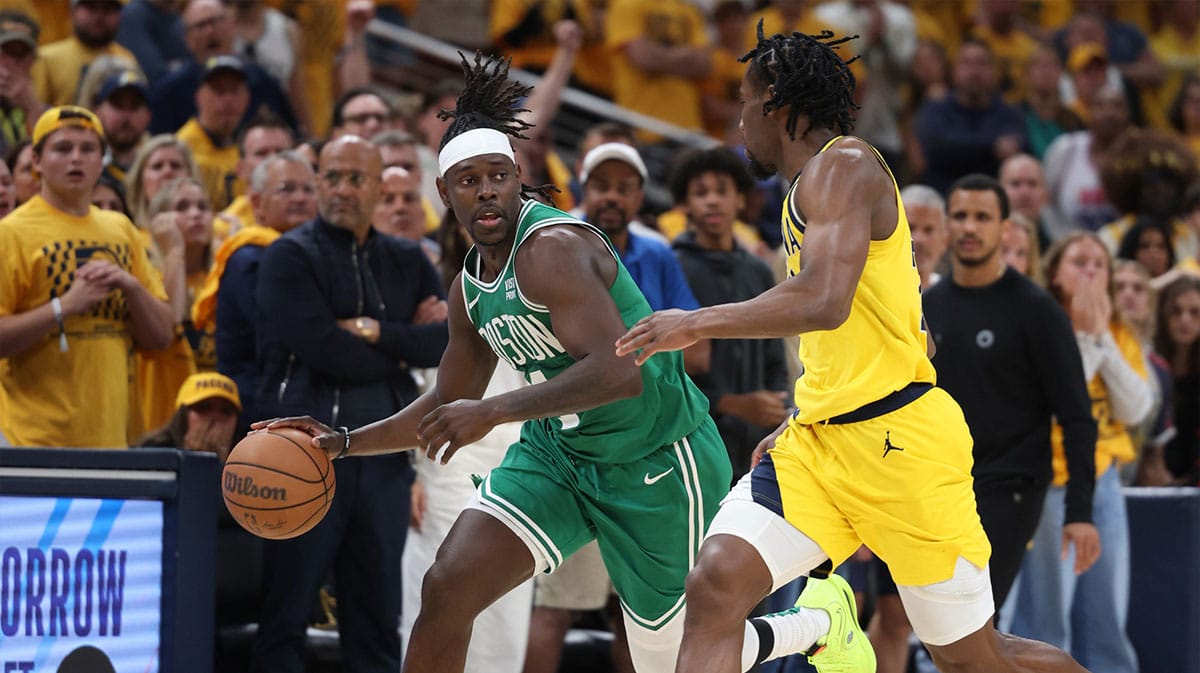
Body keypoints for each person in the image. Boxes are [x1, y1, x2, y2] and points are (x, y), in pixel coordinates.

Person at [259, 52, 818, 673]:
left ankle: (816, 627)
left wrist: (493, 411)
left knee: (676, 658)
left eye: (498, 175)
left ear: (517, 175)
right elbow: (446, 403)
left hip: (657, 458)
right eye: (468, 180)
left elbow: (618, 371)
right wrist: (338, 443)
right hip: (562, 457)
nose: (487, 190)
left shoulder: (550, 249)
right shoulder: (469, 286)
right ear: (443, 192)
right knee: (448, 585)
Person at [615, 26, 1096, 673]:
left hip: (902, 445)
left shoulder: (844, 166)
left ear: (777, 105)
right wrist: (803, 411)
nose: (736, 120)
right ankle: (826, 621)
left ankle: (828, 623)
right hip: (818, 443)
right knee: (715, 584)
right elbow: (876, 328)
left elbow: (823, 300)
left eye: (744, 102)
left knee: (978, 659)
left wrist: (692, 322)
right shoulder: (804, 191)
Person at [250, 135, 448, 673]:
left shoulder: (409, 259)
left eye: (355, 178)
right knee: (285, 619)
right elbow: (327, 351)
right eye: (331, 176)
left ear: (379, 186)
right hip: (301, 453)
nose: (341, 188)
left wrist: (371, 331)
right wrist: (400, 340)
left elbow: (441, 344)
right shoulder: (287, 256)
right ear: (317, 182)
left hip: (383, 462)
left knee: (378, 622)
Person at [924, 174, 1099, 612]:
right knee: (945, 632)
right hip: (938, 486)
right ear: (946, 226)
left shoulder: (1036, 310)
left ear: (1005, 228)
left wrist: (1080, 512)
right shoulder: (927, 305)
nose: (969, 227)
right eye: (960, 216)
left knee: (974, 620)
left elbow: (1077, 416)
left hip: (1010, 485)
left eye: (983, 217)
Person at [1010, 232, 1151, 673]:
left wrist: (1101, 340)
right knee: (1049, 620)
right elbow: (1056, 410)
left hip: (1104, 478)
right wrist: (1086, 341)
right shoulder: (1037, 323)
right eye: (1079, 262)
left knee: (1108, 613)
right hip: (1052, 481)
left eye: (1099, 264)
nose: (1091, 272)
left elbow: (1136, 408)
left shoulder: (1118, 330)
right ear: (1054, 271)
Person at [0, 105, 172, 448]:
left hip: (115, 439)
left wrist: (131, 287)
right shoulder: (11, 233)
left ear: (102, 160)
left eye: (88, 149)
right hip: (33, 441)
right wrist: (64, 307)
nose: (76, 159)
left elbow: (162, 336)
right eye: (63, 149)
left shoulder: (120, 228)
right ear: (36, 162)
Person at [194, 150, 316, 431]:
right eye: (287, 189)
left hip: (294, 406)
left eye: (308, 189)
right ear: (257, 203)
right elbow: (287, 331)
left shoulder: (310, 255)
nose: (300, 197)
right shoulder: (248, 258)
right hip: (255, 412)